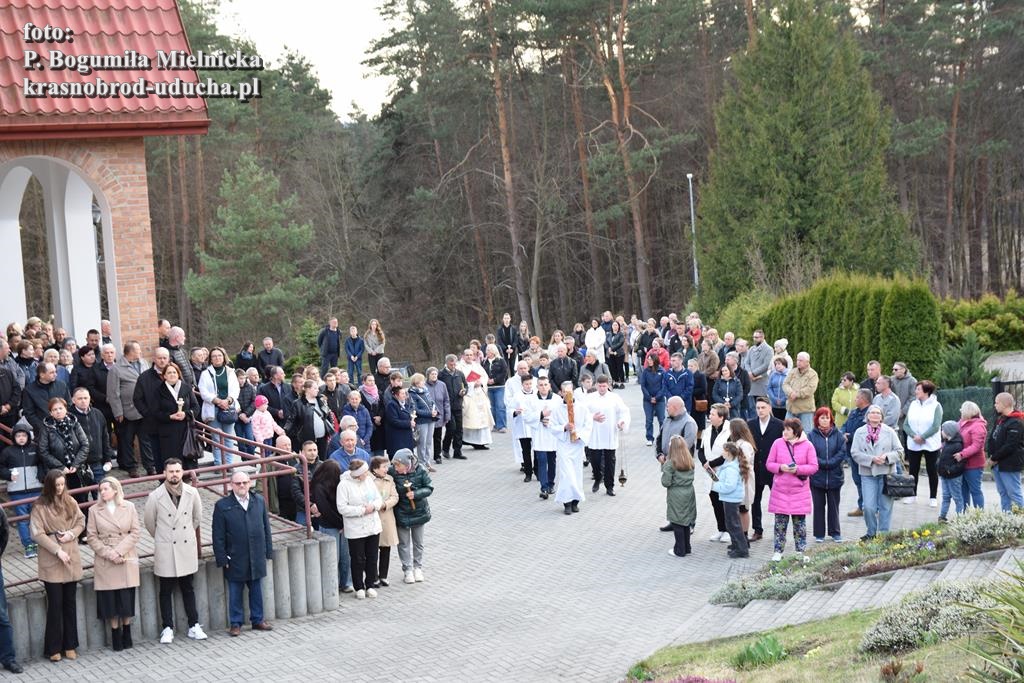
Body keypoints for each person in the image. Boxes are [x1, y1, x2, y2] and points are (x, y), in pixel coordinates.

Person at [143, 458, 206, 643]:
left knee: (188, 588)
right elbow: (149, 523)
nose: (174, 475)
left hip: (185, 546)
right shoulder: (155, 496)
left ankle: (194, 625)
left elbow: (197, 518)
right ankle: (167, 628)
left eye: (177, 471)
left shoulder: (192, 492)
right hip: (166, 548)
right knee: (165, 590)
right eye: (171, 471)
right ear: (164, 473)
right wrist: (164, 538)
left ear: (182, 472)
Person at [30, 469, 85, 662]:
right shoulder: (39, 506)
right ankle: (53, 647)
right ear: (50, 486)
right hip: (52, 556)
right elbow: (37, 533)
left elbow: (81, 520)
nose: (60, 488)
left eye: (62, 484)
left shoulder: (70, 501)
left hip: (70, 553)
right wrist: (56, 549)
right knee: (55, 605)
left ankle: (70, 645)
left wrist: (72, 534)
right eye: (57, 485)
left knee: (70, 603)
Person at [213, 470, 274, 635]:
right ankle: (236, 623)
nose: (242, 485)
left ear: (250, 483)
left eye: (245, 482)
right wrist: (222, 558)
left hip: (256, 554)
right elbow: (217, 535)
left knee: (256, 589)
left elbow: (266, 528)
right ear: (231, 485)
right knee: (235, 591)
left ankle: (258, 620)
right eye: (238, 483)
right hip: (234, 556)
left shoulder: (259, 500)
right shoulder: (222, 506)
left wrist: (268, 551)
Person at [86, 476, 141, 651]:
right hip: (106, 558)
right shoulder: (94, 510)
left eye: (106, 489)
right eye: (101, 490)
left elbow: (135, 532)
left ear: (115, 490)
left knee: (126, 598)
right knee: (110, 600)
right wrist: (109, 553)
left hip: (124, 556)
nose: (102, 492)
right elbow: (91, 537)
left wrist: (119, 551)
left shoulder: (129, 506)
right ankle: (115, 634)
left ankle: (127, 632)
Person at [764, 418, 818, 561]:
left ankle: (800, 551)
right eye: (784, 429)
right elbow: (769, 464)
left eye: (788, 429)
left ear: (796, 431)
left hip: (799, 492)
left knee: (799, 525)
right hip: (780, 491)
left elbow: (814, 466)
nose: (785, 432)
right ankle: (778, 551)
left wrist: (798, 469)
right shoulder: (777, 443)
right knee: (779, 525)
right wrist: (780, 467)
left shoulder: (808, 445)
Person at [851, 405, 904, 539]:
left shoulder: (890, 432)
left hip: (886, 473)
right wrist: (871, 459)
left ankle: (883, 535)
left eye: (878, 413)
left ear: (881, 417)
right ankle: (871, 533)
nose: (875, 415)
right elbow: (854, 452)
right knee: (868, 507)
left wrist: (886, 457)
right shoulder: (859, 432)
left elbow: (899, 451)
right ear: (867, 416)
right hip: (868, 474)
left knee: (885, 506)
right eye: (872, 412)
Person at [38, 397, 90, 528]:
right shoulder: (46, 428)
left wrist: (76, 464)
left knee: (81, 501)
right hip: (57, 472)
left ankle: (83, 531)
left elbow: (85, 445)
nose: (58, 411)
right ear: (50, 412)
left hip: (77, 471)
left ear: (66, 409)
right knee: (61, 503)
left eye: (60, 408)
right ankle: (66, 530)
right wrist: (61, 467)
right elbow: (43, 451)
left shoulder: (74, 423)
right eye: (54, 409)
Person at [337, 459, 383, 599]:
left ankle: (370, 584)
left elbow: (378, 499)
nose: (367, 474)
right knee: (357, 558)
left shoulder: (369, 481)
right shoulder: (343, 485)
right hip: (355, 529)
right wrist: (361, 510)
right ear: (358, 474)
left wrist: (373, 506)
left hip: (373, 525)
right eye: (365, 472)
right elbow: (342, 507)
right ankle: (359, 587)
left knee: (372, 556)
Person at [308, 460, 354, 593]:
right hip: (330, 526)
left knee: (345, 556)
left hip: (340, 524)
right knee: (332, 558)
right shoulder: (319, 487)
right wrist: (341, 524)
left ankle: (346, 582)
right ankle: (333, 584)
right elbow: (326, 510)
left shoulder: (337, 485)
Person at [108, 341, 153, 474]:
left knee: (146, 440)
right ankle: (131, 467)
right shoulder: (116, 369)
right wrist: (118, 412)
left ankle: (150, 466)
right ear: (131, 352)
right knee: (127, 440)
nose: (140, 352)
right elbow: (113, 393)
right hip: (127, 412)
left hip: (144, 410)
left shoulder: (144, 363)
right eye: (138, 350)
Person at [389, 449, 433, 584]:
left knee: (418, 543)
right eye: (395, 466)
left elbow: (429, 488)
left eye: (399, 466)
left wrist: (416, 494)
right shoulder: (392, 472)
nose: (396, 469)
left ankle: (417, 568)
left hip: (419, 512)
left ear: (407, 464)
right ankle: (407, 569)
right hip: (401, 512)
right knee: (403, 543)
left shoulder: (421, 470)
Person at [584, 376, 630, 496]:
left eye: (604, 386)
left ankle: (610, 486)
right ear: (596, 385)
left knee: (610, 461)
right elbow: (582, 412)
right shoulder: (589, 398)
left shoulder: (615, 398)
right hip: (595, 434)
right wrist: (592, 417)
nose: (602, 388)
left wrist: (622, 422)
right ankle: (598, 477)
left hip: (610, 433)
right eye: (600, 386)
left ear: (608, 385)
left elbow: (624, 411)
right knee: (595, 460)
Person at [747, 397, 784, 542]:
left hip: (773, 469)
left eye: (763, 407)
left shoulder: (779, 425)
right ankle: (757, 530)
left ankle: (779, 530)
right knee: (755, 500)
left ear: (769, 408)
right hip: (756, 468)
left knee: (778, 501)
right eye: (758, 408)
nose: (760, 410)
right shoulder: (750, 424)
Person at [903, 380, 943, 507]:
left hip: (930, 443)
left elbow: (936, 426)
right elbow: (906, 424)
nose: (916, 391)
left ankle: (933, 497)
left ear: (926, 391)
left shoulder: (936, 406)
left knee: (932, 470)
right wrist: (914, 436)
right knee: (913, 470)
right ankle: (912, 495)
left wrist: (923, 437)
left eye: (918, 389)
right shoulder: (913, 404)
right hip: (914, 442)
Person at [808, 407, 845, 543]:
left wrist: (831, 463)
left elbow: (842, 452)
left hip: (835, 476)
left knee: (834, 506)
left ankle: (835, 532)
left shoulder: (838, 434)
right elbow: (810, 453)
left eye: (827, 417)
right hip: (817, 477)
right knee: (818, 506)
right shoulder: (811, 436)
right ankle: (819, 534)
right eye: (822, 417)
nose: (825, 420)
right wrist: (823, 463)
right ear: (817, 419)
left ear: (831, 419)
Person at [198, 347, 240, 466]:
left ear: (224, 357)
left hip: (228, 408)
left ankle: (229, 464)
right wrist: (217, 401)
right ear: (210, 359)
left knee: (228, 438)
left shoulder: (230, 372)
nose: (217, 358)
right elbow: (203, 391)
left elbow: (236, 389)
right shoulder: (205, 374)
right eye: (214, 356)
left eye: (219, 355)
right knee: (216, 438)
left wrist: (228, 400)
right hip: (213, 409)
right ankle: (219, 464)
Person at [155, 363, 200, 470]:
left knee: (187, 464)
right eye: (169, 372)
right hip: (168, 432)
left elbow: (196, 407)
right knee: (171, 462)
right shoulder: (158, 391)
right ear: (164, 375)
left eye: (174, 372)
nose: (172, 374)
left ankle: (189, 478)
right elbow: (155, 412)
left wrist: (185, 414)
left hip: (185, 430)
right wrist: (170, 416)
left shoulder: (186, 388)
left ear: (178, 374)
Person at [698, 404, 732, 543]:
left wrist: (711, 463)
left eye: (712, 414)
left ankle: (729, 530)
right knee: (715, 501)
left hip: (724, 471)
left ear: (721, 417)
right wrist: (704, 463)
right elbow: (701, 450)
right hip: (710, 473)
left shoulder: (730, 431)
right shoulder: (707, 431)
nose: (709, 416)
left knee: (724, 502)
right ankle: (721, 528)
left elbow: (728, 453)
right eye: (710, 414)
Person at [988, 392, 1024, 511]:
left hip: (1009, 464)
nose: (995, 405)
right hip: (997, 464)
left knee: (1014, 493)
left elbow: (1010, 445)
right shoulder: (1001, 419)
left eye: (997, 403)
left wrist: (994, 458)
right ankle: (1006, 518)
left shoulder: (1016, 422)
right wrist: (991, 456)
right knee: (1003, 493)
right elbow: (993, 438)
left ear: (1005, 404)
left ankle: (1021, 516)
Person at [662, 435, 697, 557]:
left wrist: (664, 468)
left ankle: (679, 550)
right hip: (689, 492)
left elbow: (665, 482)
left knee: (677, 522)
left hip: (676, 494)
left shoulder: (670, 464)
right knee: (686, 521)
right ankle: (687, 547)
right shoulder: (690, 460)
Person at [714, 443, 749, 559]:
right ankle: (736, 545)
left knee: (733, 524)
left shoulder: (731, 469)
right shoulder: (728, 464)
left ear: (729, 453)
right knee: (730, 524)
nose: (722, 452)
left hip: (731, 498)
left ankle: (742, 549)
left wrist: (715, 486)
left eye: (724, 451)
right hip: (729, 498)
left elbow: (729, 486)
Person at [527, 376, 560, 499]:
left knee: (551, 461)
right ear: (537, 387)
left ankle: (551, 484)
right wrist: (541, 415)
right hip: (539, 434)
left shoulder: (557, 399)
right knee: (541, 460)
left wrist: (550, 421)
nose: (543, 387)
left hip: (552, 435)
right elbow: (526, 416)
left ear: (549, 386)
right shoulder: (532, 400)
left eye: (545, 385)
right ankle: (544, 488)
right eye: (541, 385)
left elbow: (561, 416)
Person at [286, 380, 334, 460]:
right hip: (307, 438)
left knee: (322, 459)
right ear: (307, 389)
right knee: (308, 460)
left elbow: (328, 415)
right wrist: (285, 431)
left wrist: (330, 427)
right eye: (315, 388)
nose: (318, 390)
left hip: (323, 438)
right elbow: (291, 420)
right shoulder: (298, 403)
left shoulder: (321, 400)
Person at [842, 388, 872, 517]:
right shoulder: (854, 412)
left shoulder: (870, 413)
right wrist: (842, 433)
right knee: (857, 480)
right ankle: (862, 506)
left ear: (863, 399)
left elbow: (866, 431)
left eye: (857, 397)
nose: (855, 399)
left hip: (863, 452)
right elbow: (845, 424)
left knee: (865, 480)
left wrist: (850, 436)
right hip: (851, 450)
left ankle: (869, 506)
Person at [370, 456, 399, 587]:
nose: (387, 469)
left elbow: (395, 496)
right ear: (375, 469)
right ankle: (373, 576)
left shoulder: (390, 479)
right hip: (373, 517)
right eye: (384, 467)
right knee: (372, 550)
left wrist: (385, 504)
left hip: (387, 517)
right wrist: (377, 505)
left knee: (386, 548)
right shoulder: (368, 480)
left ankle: (383, 575)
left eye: (387, 466)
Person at [457, 349, 494, 449]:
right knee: (472, 418)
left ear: (473, 356)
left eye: (471, 355)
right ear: (463, 356)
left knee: (483, 418)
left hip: (479, 394)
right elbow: (459, 381)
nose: (469, 357)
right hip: (469, 395)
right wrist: (472, 384)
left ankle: (482, 441)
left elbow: (484, 376)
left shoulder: (477, 365)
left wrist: (481, 382)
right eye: (467, 355)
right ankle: (470, 440)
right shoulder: (459, 367)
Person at [22, 362, 72, 435]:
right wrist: (43, 427)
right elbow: (29, 413)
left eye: (55, 372)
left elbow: (69, 404)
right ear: (42, 375)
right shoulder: (29, 390)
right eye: (52, 372)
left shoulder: (62, 385)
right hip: (42, 431)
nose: (55, 374)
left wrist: (64, 421)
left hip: (64, 427)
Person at [727, 418, 757, 539]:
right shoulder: (737, 443)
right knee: (739, 510)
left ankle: (744, 537)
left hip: (744, 480)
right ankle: (739, 536)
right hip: (737, 480)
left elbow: (745, 463)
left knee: (743, 509)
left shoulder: (745, 445)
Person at [958, 401, 987, 509]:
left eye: (962, 410)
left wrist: (962, 454)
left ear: (967, 412)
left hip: (974, 465)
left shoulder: (978, 426)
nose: (960, 411)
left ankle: (979, 515)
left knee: (975, 491)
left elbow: (976, 446)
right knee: (963, 490)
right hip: (962, 463)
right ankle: (964, 515)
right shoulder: (961, 423)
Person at [438, 355, 467, 460]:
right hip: (447, 406)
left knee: (459, 429)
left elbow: (466, 385)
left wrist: (464, 391)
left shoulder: (460, 373)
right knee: (451, 428)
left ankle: (457, 451)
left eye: (455, 363)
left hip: (458, 404)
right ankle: (445, 448)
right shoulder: (441, 374)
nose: (453, 365)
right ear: (447, 363)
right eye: (451, 363)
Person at [508, 374, 536, 480]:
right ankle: (528, 473)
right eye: (526, 384)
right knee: (526, 450)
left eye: (530, 384)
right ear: (522, 384)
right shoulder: (517, 395)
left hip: (534, 427)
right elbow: (510, 408)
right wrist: (515, 412)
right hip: (523, 427)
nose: (528, 386)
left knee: (537, 450)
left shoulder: (536, 394)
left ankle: (537, 470)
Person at [937, 421, 967, 522]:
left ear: (949, 432)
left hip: (954, 477)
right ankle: (942, 517)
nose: (941, 432)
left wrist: (951, 470)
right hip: (944, 475)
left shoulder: (958, 445)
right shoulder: (946, 443)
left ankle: (959, 519)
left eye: (943, 430)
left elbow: (961, 462)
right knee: (945, 496)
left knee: (957, 497)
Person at [782, 352, 819, 433]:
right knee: (787, 431)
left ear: (807, 362)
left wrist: (797, 394)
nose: (798, 362)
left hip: (805, 410)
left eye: (801, 360)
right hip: (791, 408)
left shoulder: (813, 374)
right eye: (797, 360)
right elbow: (785, 384)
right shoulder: (792, 372)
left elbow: (810, 389)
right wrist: (790, 392)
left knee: (807, 432)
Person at [640, 353, 666, 447]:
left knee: (662, 420)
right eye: (648, 359)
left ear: (655, 360)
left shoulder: (662, 371)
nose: (649, 361)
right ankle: (649, 438)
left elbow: (664, 386)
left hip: (660, 400)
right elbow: (643, 386)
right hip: (648, 400)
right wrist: (649, 397)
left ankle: (662, 437)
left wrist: (657, 397)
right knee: (649, 420)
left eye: (651, 359)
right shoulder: (645, 371)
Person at [482, 344, 509, 433]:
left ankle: (502, 426)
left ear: (494, 351)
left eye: (489, 350)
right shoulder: (484, 362)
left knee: (500, 406)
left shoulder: (501, 360)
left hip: (499, 387)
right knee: (492, 407)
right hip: (488, 387)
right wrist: (486, 380)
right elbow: (481, 372)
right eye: (487, 350)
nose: (487, 352)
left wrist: (494, 380)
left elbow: (504, 372)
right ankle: (494, 425)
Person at [687, 357, 708, 432]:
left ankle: (699, 438)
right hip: (689, 401)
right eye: (688, 366)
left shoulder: (701, 375)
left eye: (691, 366)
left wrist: (690, 391)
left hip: (698, 400)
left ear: (696, 366)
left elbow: (703, 389)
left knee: (699, 423)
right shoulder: (687, 375)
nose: (689, 367)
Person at [766, 356, 789, 421]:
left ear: (784, 364)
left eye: (779, 364)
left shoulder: (789, 375)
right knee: (776, 421)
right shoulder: (773, 374)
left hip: (785, 405)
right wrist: (774, 399)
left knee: (785, 422)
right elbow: (769, 388)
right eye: (776, 364)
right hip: (774, 404)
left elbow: (791, 388)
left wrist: (783, 400)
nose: (777, 366)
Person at [606, 320, 627, 389]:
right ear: (611, 326)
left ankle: (622, 382)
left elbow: (620, 343)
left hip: (619, 353)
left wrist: (612, 348)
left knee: (619, 368)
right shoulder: (608, 334)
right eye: (613, 325)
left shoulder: (621, 334)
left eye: (616, 325)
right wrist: (609, 348)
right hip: (611, 354)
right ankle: (615, 382)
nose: (615, 326)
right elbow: (606, 343)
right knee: (613, 368)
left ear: (618, 326)